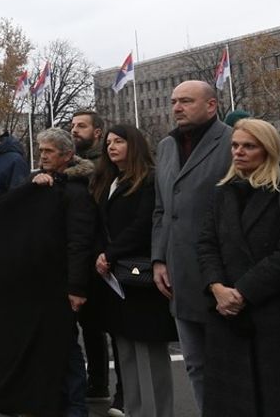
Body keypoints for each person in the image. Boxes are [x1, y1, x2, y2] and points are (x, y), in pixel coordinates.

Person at [196, 118, 280, 417]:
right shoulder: (221, 192)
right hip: (227, 317)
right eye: (235, 145)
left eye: (248, 146)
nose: (239, 152)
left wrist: (242, 292)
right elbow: (206, 244)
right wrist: (216, 286)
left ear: (267, 150)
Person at [150, 80, 231, 412]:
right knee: (195, 364)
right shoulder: (167, 146)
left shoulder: (231, 142)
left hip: (222, 275)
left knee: (228, 367)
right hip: (179, 275)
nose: (176, 108)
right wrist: (158, 259)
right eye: (173, 101)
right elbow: (162, 208)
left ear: (211, 105)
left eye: (186, 101)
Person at [91, 124, 176, 417]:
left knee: (149, 351)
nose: (111, 147)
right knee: (125, 349)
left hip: (140, 276)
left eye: (119, 141)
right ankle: (136, 410)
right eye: (108, 142)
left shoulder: (149, 179)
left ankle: (157, 412)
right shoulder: (109, 180)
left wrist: (110, 254)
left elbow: (143, 225)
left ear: (134, 145)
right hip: (115, 278)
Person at [30, 129, 98, 417]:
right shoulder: (45, 184)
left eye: (49, 151)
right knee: (48, 344)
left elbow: (79, 242)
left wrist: (76, 287)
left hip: (64, 280)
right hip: (43, 279)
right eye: (41, 150)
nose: (43, 156)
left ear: (67, 155)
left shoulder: (77, 191)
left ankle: (75, 408)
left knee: (67, 345)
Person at [71, 109, 120, 408]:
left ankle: (125, 393)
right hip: (86, 256)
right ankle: (98, 383)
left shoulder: (107, 165)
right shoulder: (73, 166)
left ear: (98, 132)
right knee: (90, 325)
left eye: (82, 126)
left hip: (107, 255)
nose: (75, 130)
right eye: (73, 125)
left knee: (116, 327)